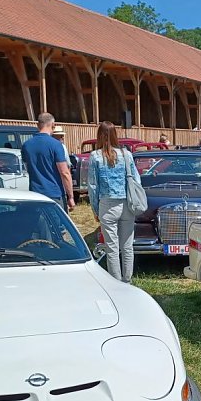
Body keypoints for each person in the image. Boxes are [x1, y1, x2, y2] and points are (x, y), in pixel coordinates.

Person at [89, 121, 140, 283]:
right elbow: (136, 180)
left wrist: (95, 210)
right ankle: (128, 280)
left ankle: (116, 282)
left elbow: (92, 186)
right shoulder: (127, 154)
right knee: (127, 246)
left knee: (111, 248)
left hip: (107, 204)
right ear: (115, 135)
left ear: (99, 136)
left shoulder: (95, 156)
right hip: (127, 204)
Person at [21, 112, 74, 211]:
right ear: (53, 125)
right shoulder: (56, 145)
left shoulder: (26, 145)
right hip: (54, 194)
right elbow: (64, 172)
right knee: (57, 225)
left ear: (38, 125)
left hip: (35, 193)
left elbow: (27, 168)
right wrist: (70, 196)